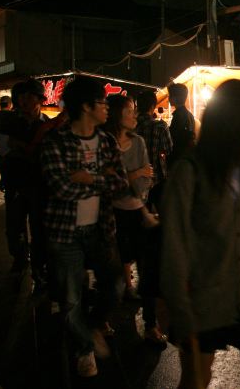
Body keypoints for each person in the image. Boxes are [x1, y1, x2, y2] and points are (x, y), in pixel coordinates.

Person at [160, 79, 240, 389]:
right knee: (195, 382)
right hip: (203, 303)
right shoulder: (190, 170)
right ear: (235, 122)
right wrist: (179, 310)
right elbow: (174, 246)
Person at [41, 77, 128, 378]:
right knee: (70, 300)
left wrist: (88, 178)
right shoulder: (56, 141)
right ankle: (84, 348)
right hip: (64, 233)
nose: (107, 108)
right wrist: (101, 180)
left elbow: (121, 182)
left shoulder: (107, 142)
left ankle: (91, 326)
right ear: (87, 106)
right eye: (103, 103)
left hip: (101, 228)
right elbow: (61, 188)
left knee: (116, 286)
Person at [103, 94, 168, 348]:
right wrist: (133, 174)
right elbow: (110, 185)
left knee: (148, 270)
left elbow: (145, 182)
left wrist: (133, 177)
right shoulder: (105, 144)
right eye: (129, 111)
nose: (134, 115)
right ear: (117, 114)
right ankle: (102, 319)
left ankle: (151, 325)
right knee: (114, 271)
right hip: (111, 214)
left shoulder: (139, 142)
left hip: (138, 212)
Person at [2, 80, 50, 286]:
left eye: (29, 96)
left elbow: (45, 156)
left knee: (39, 229)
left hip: (40, 186)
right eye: (20, 97)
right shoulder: (8, 122)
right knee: (14, 227)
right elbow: (5, 151)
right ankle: (20, 260)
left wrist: (21, 147)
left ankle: (39, 269)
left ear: (40, 99)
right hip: (15, 184)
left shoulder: (47, 125)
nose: (24, 101)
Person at [135, 90, 172, 211]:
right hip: (157, 179)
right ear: (152, 106)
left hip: (135, 179)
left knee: (141, 215)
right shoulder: (160, 126)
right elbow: (168, 150)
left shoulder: (131, 126)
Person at [167, 83, 196, 164]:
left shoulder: (178, 116)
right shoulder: (190, 115)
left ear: (176, 98)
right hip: (186, 159)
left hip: (179, 160)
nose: (168, 98)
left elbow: (174, 140)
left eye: (170, 96)